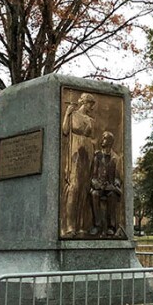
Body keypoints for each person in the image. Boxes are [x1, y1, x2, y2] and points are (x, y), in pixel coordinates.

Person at [62, 93, 96, 237]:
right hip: (75, 149)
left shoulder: (91, 120)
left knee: (84, 189)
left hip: (87, 150)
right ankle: (70, 226)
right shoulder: (73, 114)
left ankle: (82, 226)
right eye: (90, 104)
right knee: (74, 187)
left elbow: (92, 137)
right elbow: (64, 131)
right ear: (84, 102)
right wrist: (67, 114)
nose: (91, 108)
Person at [90, 131, 123, 237]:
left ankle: (111, 227)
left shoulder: (116, 158)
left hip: (110, 187)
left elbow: (118, 178)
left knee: (112, 196)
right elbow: (93, 176)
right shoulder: (97, 156)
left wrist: (115, 185)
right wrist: (96, 184)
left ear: (110, 142)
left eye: (104, 138)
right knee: (94, 194)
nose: (102, 140)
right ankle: (97, 225)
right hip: (99, 187)